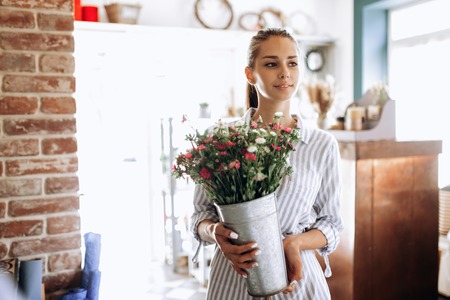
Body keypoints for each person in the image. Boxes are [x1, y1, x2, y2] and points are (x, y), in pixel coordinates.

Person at [190, 28, 344, 299]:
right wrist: (216, 233)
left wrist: (293, 244)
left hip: (299, 282)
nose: (285, 72)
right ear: (250, 74)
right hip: (233, 279)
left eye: (292, 63)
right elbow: (200, 215)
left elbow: (332, 224)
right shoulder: (220, 140)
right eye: (272, 63)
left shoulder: (322, 145)